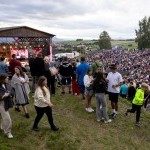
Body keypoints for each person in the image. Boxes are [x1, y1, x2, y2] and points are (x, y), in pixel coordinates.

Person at [0, 74, 14, 138]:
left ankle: (2, 126)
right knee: (8, 119)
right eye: (7, 78)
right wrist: (3, 96)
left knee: (4, 116)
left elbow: (11, 91)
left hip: (6, 103)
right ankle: (7, 132)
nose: (8, 79)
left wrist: (9, 94)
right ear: (3, 79)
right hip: (1, 104)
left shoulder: (6, 85)